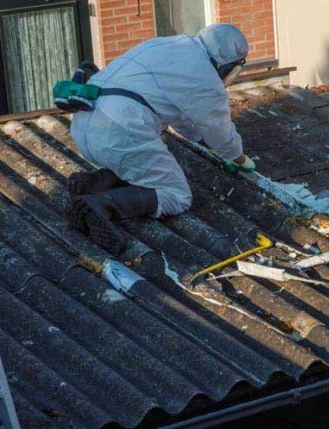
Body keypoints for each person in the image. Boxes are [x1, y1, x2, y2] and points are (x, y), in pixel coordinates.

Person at [67, 23, 255, 255]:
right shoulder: (205, 77)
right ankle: (102, 204)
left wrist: (200, 139)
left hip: (84, 123)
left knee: (141, 164)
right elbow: (217, 128)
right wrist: (238, 157)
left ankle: (97, 182)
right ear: (229, 65)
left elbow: (182, 115)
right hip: (121, 131)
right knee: (177, 195)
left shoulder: (168, 45)